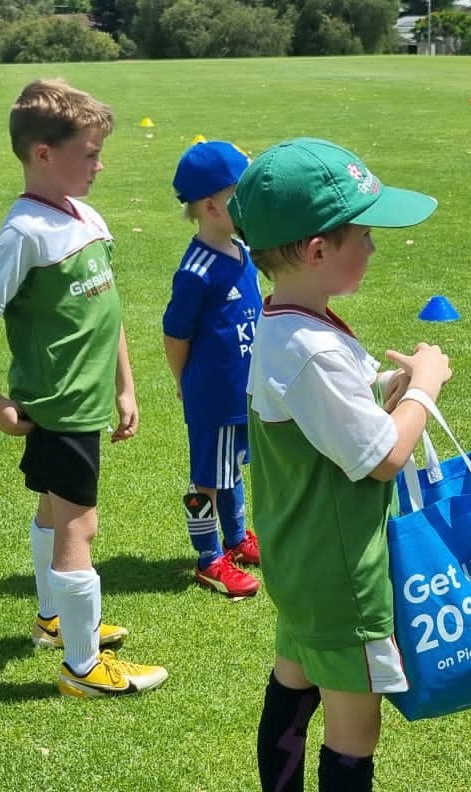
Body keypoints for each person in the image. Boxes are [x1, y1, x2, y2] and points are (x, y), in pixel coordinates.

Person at [228, 138, 454, 792]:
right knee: (354, 728)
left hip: (300, 560)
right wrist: (422, 388)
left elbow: (329, 413)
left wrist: (385, 382)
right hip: (339, 573)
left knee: (294, 684)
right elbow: (382, 457)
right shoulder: (310, 347)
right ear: (318, 249)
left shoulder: (289, 322)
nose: (373, 246)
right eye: (363, 234)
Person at [0, 78, 168, 698]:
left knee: (54, 510)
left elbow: (108, 307)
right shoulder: (26, 232)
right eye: (90, 154)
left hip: (88, 399)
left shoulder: (86, 216)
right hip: (60, 403)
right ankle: (83, 666)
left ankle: (53, 621)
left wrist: (126, 386)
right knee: (80, 526)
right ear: (43, 153)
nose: (100, 165)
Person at [163, 140, 264, 599]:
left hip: (243, 393)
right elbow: (175, 334)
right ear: (211, 206)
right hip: (214, 397)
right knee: (206, 479)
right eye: (240, 194)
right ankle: (208, 558)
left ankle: (237, 539)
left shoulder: (242, 250)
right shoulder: (197, 271)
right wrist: (183, 382)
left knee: (231, 469)